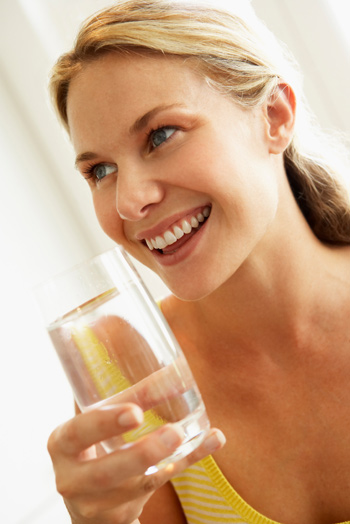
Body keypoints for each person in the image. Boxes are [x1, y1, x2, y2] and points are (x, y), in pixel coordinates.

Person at [47, 1, 350, 523]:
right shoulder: (125, 382)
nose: (128, 201)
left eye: (161, 135)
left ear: (274, 117)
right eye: (100, 170)